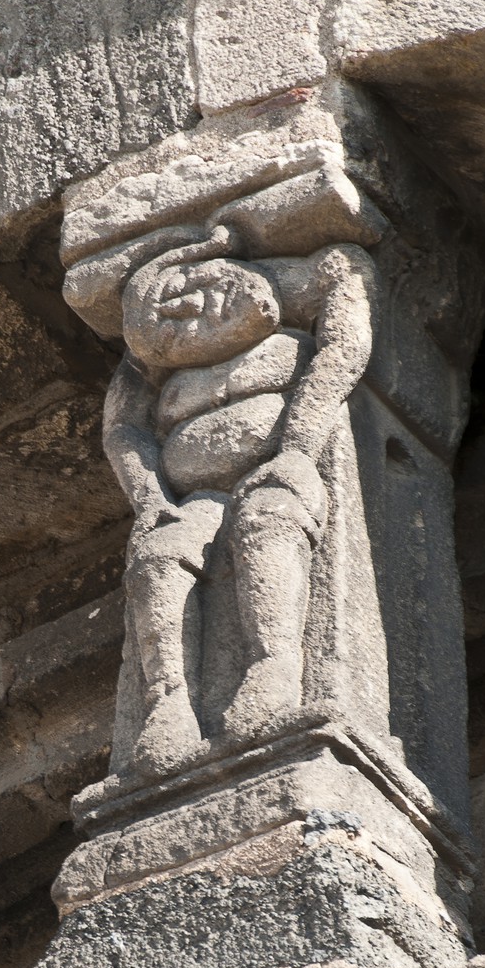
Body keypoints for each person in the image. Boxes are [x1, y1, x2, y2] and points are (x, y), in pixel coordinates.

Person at [103, 223, 376, 779]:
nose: (201, 303)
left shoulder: (292, 308)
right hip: (196, 495)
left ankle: (274, 668)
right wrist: (150, 496)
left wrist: (298, 446)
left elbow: (345, 337)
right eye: (177, 315)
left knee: (268, 517)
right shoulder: (154, 372)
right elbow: (123, 429)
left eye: (203, 281)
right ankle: (168, 702)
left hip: (278, 466)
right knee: (158, 555)